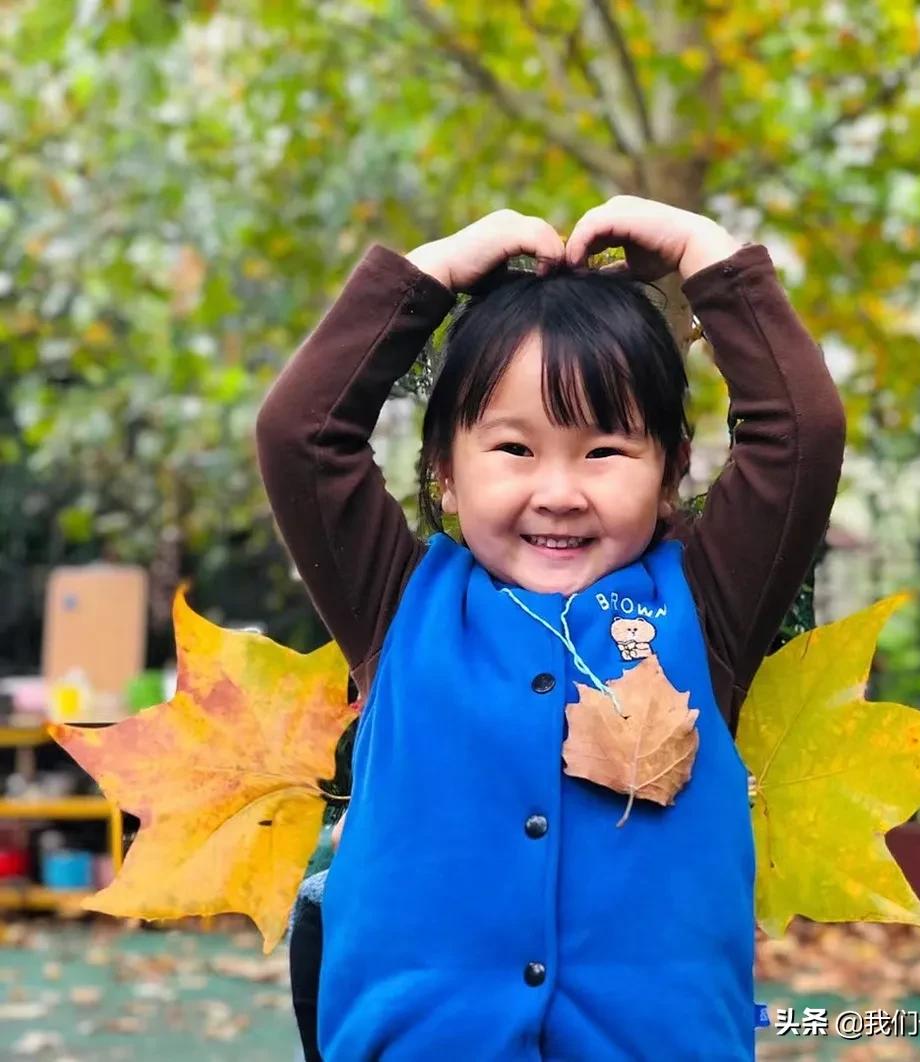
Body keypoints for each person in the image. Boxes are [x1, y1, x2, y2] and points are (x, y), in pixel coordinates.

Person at [256, 196, 847, 1061]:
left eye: (605, 451)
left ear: (672, 471)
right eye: (513, 450)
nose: (560, 491)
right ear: (443, 474)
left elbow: (802, 431)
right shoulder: (397, 603)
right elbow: (302, 435)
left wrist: (701, 250)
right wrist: (432, 272)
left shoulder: (706, 605)